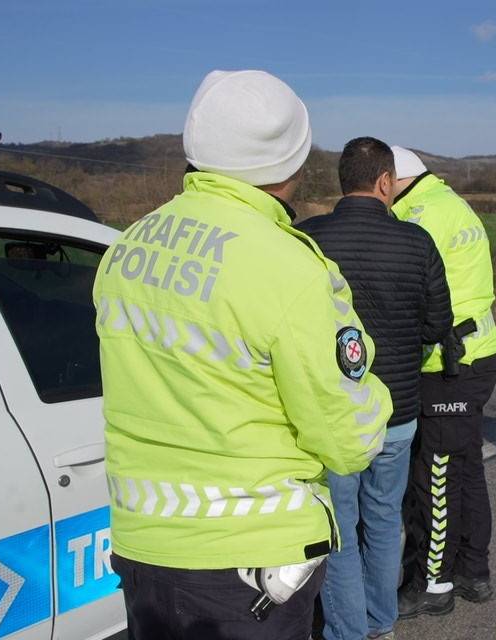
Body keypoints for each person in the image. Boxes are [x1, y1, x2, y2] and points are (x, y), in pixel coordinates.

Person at [94, 70, 392, 640]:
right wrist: (374, 393)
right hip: (251, 567)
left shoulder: (127, 246)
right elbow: (349, 438)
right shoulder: (290, 269)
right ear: (295, 163)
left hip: (144, 549)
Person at [296, 137, 453, 640]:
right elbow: (437, 325)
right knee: (384, 521)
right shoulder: (416, 241)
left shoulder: (306, 239)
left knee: (338, 529)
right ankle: (380, 622)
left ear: (343, 181)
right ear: (385, 182)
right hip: (398, 410)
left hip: (331, 413)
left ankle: (346, 630)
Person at [389, 146, 496, 618]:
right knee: (464, 468)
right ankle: (474, 571)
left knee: (435, 476)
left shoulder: (418, 214)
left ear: (393, 179)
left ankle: (433, 583)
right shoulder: (449, 200)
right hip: (479, 352)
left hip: (447, 363)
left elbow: (403, 290)